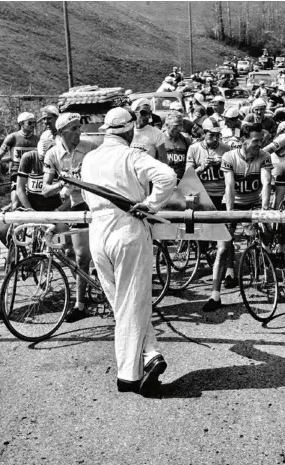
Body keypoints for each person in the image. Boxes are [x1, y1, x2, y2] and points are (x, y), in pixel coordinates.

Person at [81, 107, 177, 396]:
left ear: (106, 130)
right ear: (128, 129)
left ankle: (151, 354)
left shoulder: (89, 158)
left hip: (98, 232)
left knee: (121, 302)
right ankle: (130, 375)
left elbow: (87, 196)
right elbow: (167, 176)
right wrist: (151, 204)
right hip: (128, 229)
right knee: (131, 301)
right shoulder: (132, 154)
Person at [202, 123, 273, 311]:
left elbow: (266, 183)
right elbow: (230, 186)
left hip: (255, 202)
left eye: (262, 140)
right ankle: (214, 296)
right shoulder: (229, 157)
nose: (260, 144)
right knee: (223, 249)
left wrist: (264, 210)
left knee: (268, 235)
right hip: (233, 202)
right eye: (256, 141)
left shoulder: (264, 156)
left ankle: (268, 268)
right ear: (243, 140)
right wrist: (230, 214)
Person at [42, 112, 98, 322]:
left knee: (83, 256)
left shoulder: (91, 148)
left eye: (79, 128)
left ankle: (80, 304)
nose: (79, 132)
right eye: (74, 129)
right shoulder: (52, 154)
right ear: (62, 132)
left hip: (92, 204)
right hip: (72, 206)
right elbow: (45, 190)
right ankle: (91, 284)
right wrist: (63, 183)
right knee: (67, 253)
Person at [0, 112, 39, 209]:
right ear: (21, 124)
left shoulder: (37, 139)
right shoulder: (12, 138)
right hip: (17, 174)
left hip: (33, 175)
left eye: (34, 123)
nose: (33, 125)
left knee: (34, 203)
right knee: (16, 204)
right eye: (30, 123)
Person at [16, 139, 64, 212]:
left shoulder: (61, 159)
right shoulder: (28, 157)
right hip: (32, 203)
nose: (45, 162)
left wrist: (58, 210)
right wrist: (29, 209)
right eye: (42, 158)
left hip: (54, 205)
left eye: (48, 158)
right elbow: (20, 188)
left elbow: (73, 194)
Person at [163, 112, 192, 181]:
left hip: (181, 181)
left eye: (181, 125)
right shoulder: (158, 140)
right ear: (167, 125)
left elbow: (190, 162)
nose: (179, 129)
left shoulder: (186, 140)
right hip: (164, 181)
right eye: (176, 126)